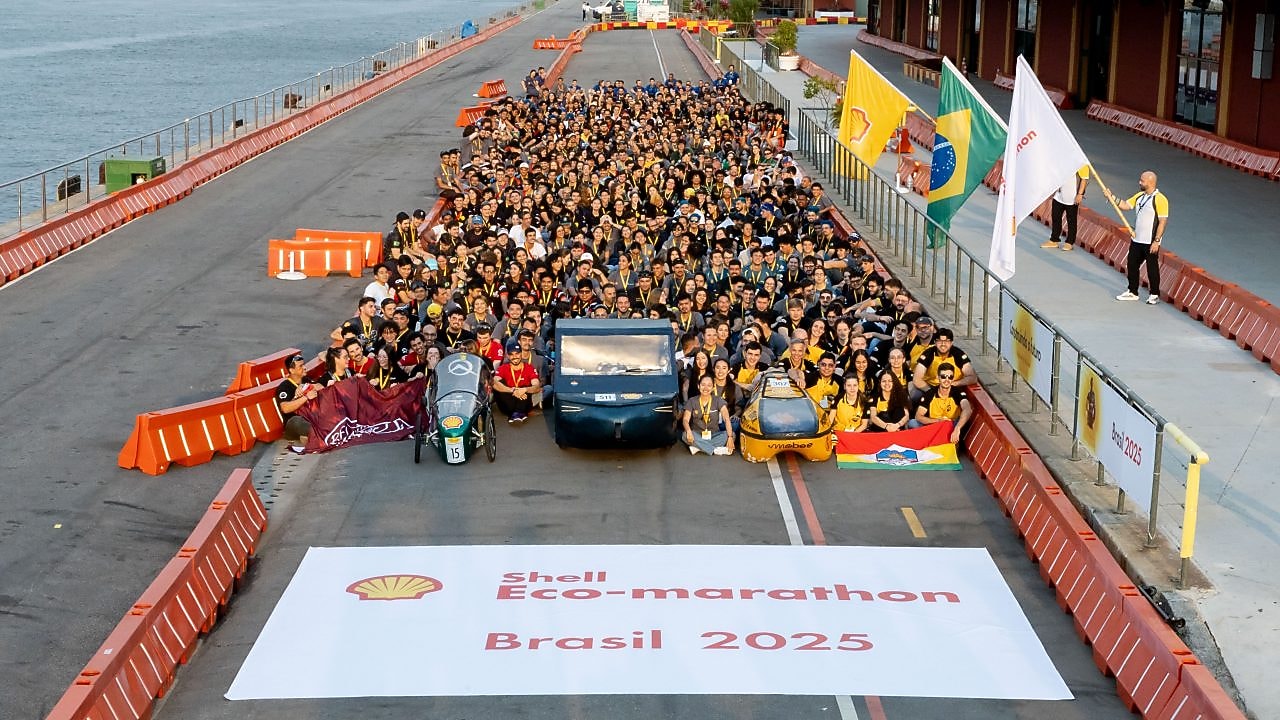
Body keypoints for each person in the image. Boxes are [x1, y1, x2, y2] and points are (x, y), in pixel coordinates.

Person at [1105, 170, 1168, 304]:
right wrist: (1112, 197)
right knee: (1132, 265)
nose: (1139, 182)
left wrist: (1156, 241)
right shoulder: (1140, 195)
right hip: (1137, 238)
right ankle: (1133, 291)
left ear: (1150, 182)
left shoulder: (1160, 199)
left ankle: (1154, 294)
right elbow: (1126, 205)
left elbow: (1162, 221)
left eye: (1142, 180)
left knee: (1152, 268)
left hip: (1150, 241)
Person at [914, 363, 973, 444]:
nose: (947, 380)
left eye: (950, 377)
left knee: (964, 421)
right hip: (935, 426)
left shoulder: (958, 392)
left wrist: (957, 428)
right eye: (943, 377)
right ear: (938, 378)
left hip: (952, 426)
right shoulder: (930, 394)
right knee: (913, 423)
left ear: (953, 379)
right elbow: (918, 416)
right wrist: (938, 421)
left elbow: (967, 409)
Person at [681, 374, 735, 456]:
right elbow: (685, 420)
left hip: (713, 435)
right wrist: (688, 431)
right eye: (703, 385)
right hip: (697, 435)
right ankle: (714, 450)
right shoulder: (692, 401)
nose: (706, 388)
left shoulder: (718, 400)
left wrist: (730, 437)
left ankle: (698, 447)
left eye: (709, 385)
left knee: (731, 434)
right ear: (698, 386)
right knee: (685, 435)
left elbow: (726, 419)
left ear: (713, 387)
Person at [275, 354, 318, 453]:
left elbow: (320, 386)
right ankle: (315, 435)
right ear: (291, 370)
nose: (304, 367)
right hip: (293, 423)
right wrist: (305, 397)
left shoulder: (306, 380)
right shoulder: (284, 387)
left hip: (309, 416)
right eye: (301, 366)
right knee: (297, 420)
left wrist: (307, 386)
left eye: (304, 365)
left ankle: (309, 437)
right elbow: (285, 408)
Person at [1042, 166, 1089, 251]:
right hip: (1059, 196)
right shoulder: (1064, 159)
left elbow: (1084, 179)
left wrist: (1080, 194)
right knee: (1055, 217)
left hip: (1072, 198)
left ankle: (1069, 242)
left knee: (1071, 220)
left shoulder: (1080, 161)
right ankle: (1054, 240)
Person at [492, 347, 541, 422]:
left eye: (517, 353)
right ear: (507, 356)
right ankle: (517, 413)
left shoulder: (529, 368)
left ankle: (518, 413)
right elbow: (494, 383)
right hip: (508, 402)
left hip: (524, 402)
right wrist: (513, 390)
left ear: (521, 354)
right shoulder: (502, 368)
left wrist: (524, 389)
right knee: (498, 383)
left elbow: (537, 387)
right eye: (511, 354)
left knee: (526, 387)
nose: (514, 357)